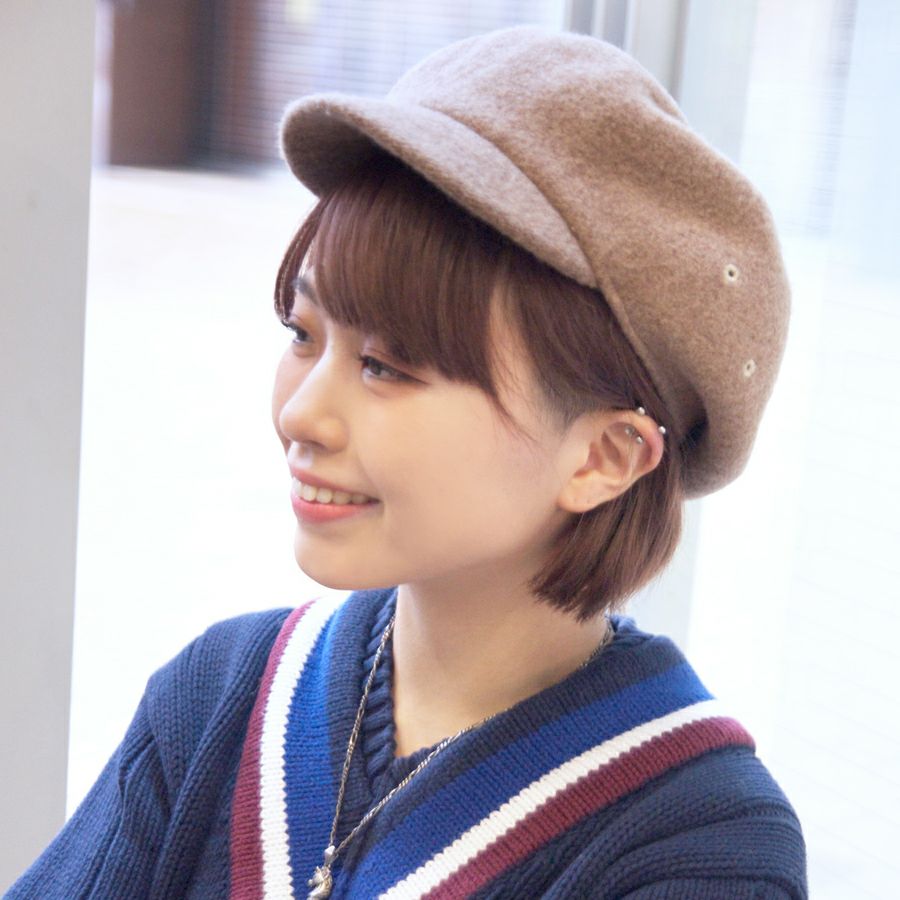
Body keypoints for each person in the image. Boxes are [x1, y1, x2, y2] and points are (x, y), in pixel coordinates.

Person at [7, 25, 807, 900]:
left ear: (605, 457)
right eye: (302, 334)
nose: (302, 414)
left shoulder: (702, 846)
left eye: (387, 366)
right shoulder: (219, 700)